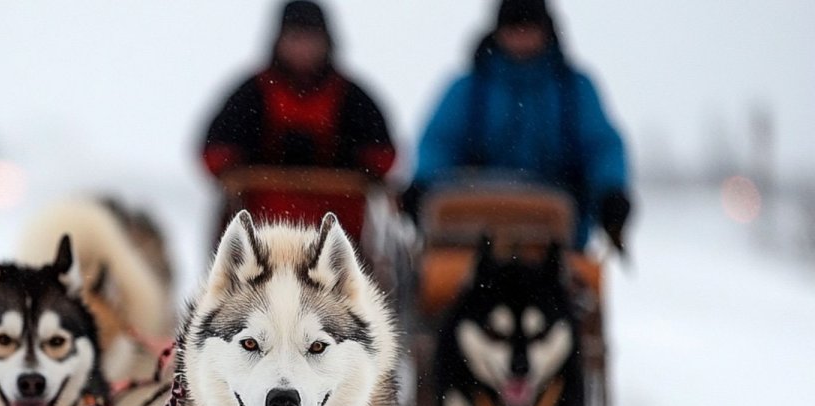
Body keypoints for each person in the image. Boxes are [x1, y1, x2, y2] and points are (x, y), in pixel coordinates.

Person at [403, 0, 632, 251]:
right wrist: (423, 182)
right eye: (514, 29)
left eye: (529, 29)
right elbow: (439, 142)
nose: (521, 37)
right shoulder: (468, 89)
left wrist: (611, 191)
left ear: (546, 31)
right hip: (472, 228)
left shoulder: (574, 89)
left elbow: (601, 146)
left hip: (556, 233)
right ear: (499, 32)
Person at [200, 0, 396, 241]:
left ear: (326, 43)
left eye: (310, 40)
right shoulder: (254, 93)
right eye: (295, 39)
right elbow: (213, 152)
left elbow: (384, 156)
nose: (303, 49)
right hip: (260, 237)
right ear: (279, 42)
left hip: (338, 239)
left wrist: (358, 171)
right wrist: (235, 169)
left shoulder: (350, 97)